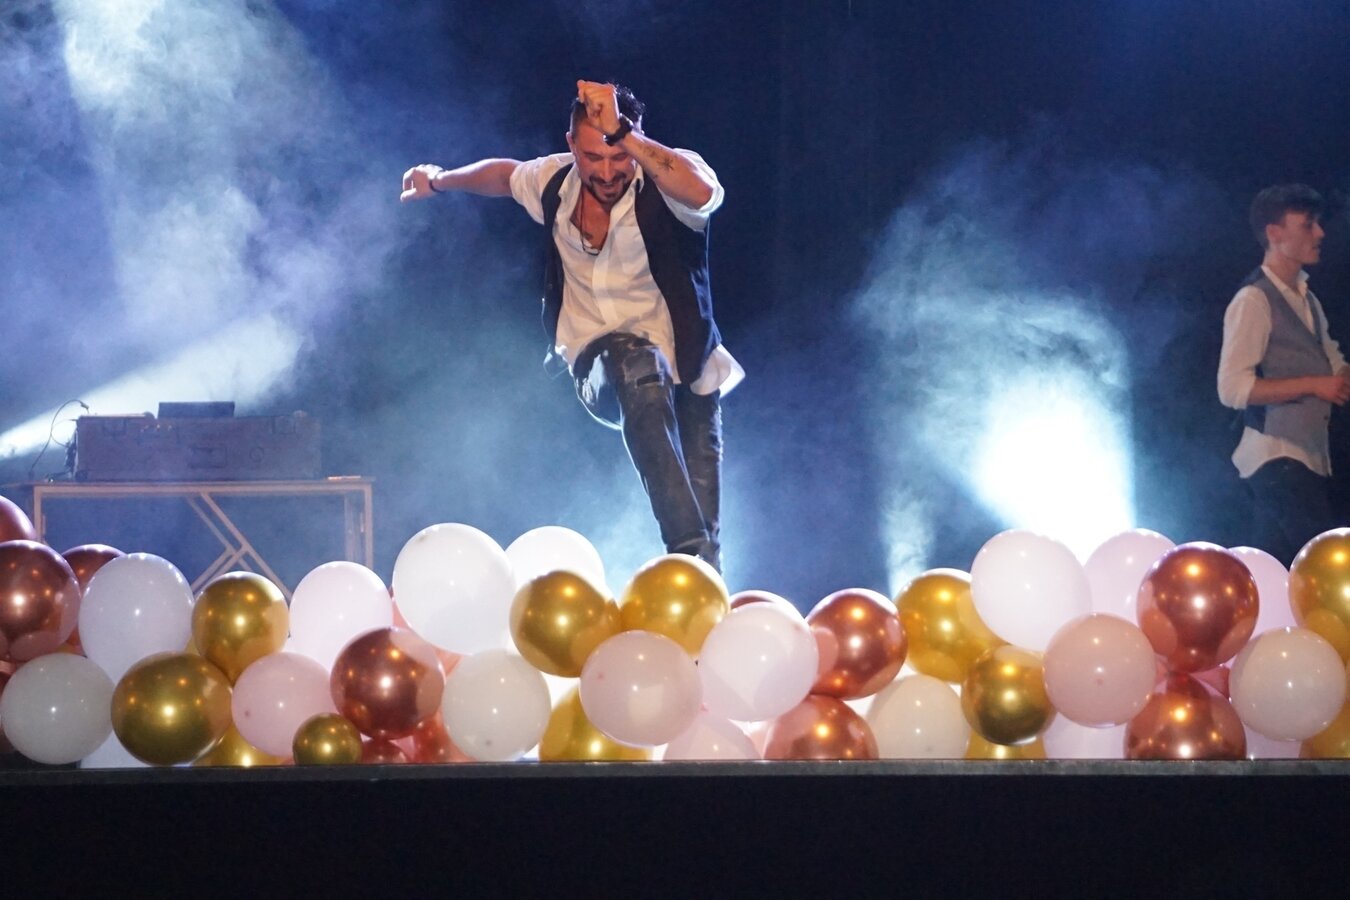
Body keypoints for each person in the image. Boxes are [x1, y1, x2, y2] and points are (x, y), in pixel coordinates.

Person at [400, 81, 740, 570]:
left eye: (618, 156)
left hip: (689, 370)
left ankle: (701, 584)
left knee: (705, 537)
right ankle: (687, 553)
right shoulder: (554, 182)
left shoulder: (668, 178)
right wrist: (437, 180)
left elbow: (704, 192)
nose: (607, 172)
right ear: (571, 146)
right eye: (592, 157)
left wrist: (626, 136)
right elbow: (503, 176)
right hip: (602, 368)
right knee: (634, 358)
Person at [1217, 184, 1349, 563]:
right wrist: (1314, 385)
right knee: (1324, 560)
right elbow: (1231, 388)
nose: (1319, 232)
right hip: (1277, 456)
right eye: (1307, 225)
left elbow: (1332, 359)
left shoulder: (1308, 299)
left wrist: (1337, 376)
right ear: (1275, 233)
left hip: (1305, 458)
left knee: (1272, 567)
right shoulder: (1253, 300)